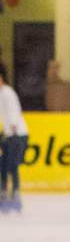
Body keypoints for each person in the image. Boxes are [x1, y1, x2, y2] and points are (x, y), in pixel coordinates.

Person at [0, 63, 28, 213]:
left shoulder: (7, 93)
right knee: (4, 165)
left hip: (17, 134)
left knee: (11, 166)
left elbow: (13, 113)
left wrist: (13, 134)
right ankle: (5, 194)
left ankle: (15, 196)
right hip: (9, 134)